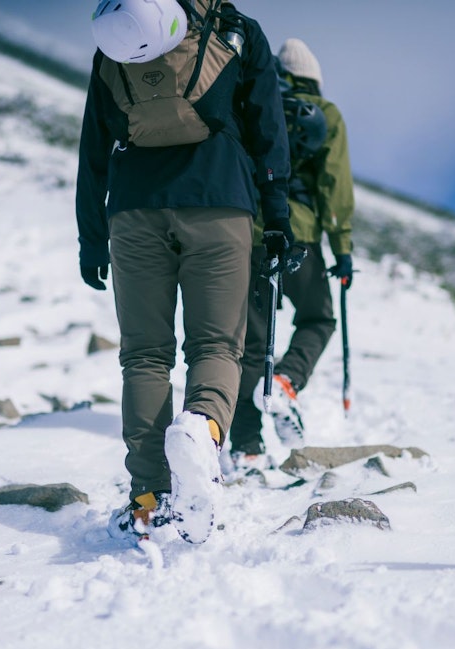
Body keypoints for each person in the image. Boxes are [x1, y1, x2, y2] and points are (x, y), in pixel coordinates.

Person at [76, 0, 293, 544]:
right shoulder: (237, 31)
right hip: (220, 201)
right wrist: (278, 216)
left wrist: (91, 236)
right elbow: (269, 126)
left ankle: (149, 500)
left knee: (145, 354)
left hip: (132, 208)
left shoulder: (118, 36)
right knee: (217, 346)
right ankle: (203, 427)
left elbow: (93, 147)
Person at [228, 37, 355, 470]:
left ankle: (246, 446)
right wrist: (343, 249)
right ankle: (286, 379)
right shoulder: (327, 114)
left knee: (249, 343)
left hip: (249, 233)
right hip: (298, 234)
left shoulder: (256, 102)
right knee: (319, 317)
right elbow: (333, 184)